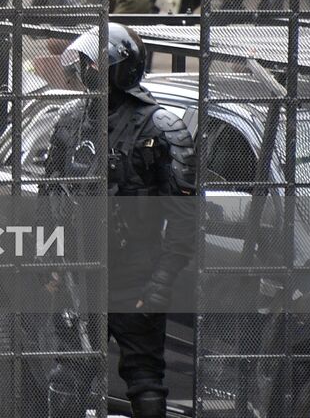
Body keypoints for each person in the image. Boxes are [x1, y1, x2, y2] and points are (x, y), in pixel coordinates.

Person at [45, 24, 196, 418]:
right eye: (83, 63)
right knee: (68, 376)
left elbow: (184, 220)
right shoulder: (70, 121)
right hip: (81, 273)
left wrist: (160, 285)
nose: (84, 70)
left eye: (92, 63)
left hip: (136, 276)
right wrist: (53, 264)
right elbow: (50, 201)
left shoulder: (162, 128)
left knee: (144, 379)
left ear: (116, 67)